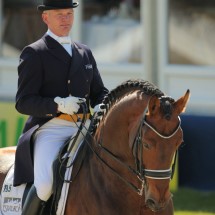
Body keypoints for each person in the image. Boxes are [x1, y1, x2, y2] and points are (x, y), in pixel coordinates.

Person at [13, 0, 109, 214]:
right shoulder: (34, 53)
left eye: (69, 13)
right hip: (52, 128)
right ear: (45, 17)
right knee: (46, 185)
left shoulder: (84, 52)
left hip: (85, 127)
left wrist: (102, 104)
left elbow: (98, 91)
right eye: (59, 14)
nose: (66, 19)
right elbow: (23, 101)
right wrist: (57, 105)